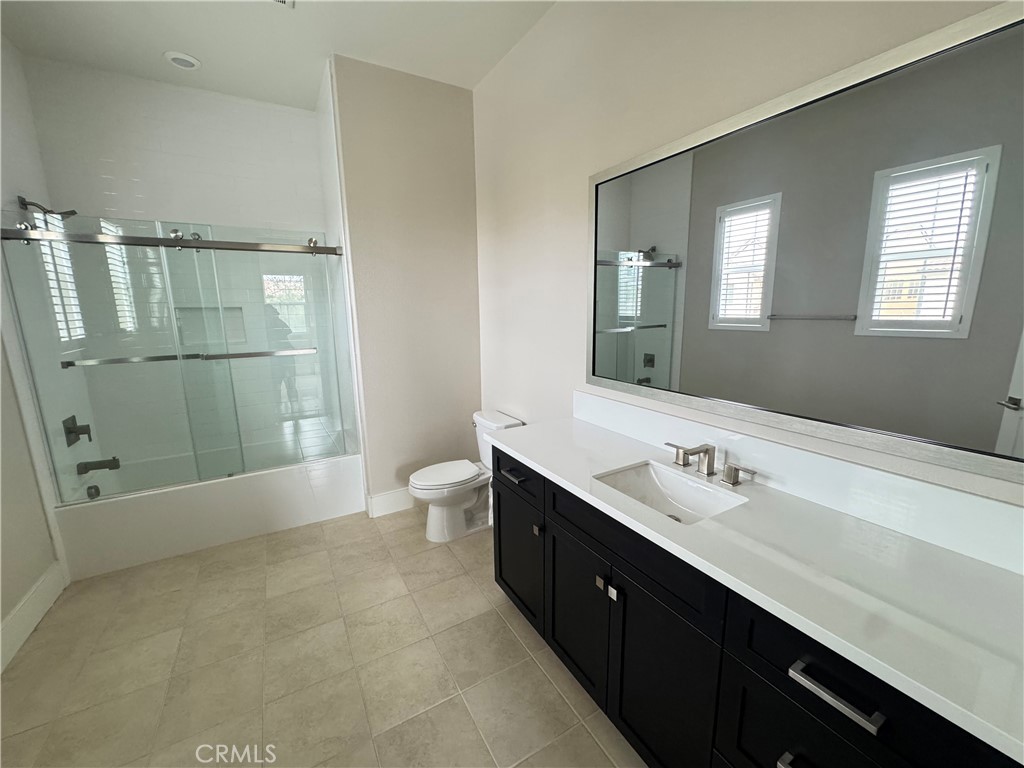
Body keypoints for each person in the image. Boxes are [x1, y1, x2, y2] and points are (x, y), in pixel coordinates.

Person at [264, 304, 299, 415]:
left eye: (270, 313)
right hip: (276, 359)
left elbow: (288, 338)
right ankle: (278, 409)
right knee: (276, 385)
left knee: (290, 383)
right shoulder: (266, 326)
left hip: (285, 358)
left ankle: (294, 408)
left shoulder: (279, 324)